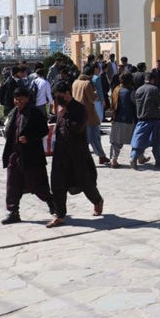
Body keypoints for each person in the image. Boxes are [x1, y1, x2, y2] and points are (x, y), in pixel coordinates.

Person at [47, 82, 104, 228]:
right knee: (57, 183)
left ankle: (97, 200)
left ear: (67, 94)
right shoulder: (60, 109)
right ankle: (60, 216)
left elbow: (78, 129)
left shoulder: (80, 109)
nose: (57, 100)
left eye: (59, 97)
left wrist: (66, 116)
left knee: (84, 182)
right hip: (60, 153)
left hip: (77, 153)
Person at [0, 86, 55, 225]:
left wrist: (29, 138)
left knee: (36, 183)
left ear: (27, 98)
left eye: (21, 99)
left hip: (31, 155)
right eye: (16, 99)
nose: (18, 102)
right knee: (12, 184)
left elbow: (43, 130)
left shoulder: (35, 113)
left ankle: (50, 200)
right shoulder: (13, 112)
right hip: (14, 154)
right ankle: (13, 212)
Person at [129, 72, 160, 169]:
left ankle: (133, 158)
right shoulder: (154, 89)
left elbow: (135, 102)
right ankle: (158, 160)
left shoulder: (138, 90)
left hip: (142, 119)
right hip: (154, 119)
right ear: (152, 80)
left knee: (138, 139)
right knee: (156, 141)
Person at [72, 65, 109, 166]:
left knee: (90, 137)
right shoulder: (87, 83)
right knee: (92, 137)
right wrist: (96, 93)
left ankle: (101, 156)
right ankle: (88, 157)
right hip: (89, 114)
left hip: (79, 114)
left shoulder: (75, 82)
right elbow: (92, 98)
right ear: (91, 74)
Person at [109, 72, 137, 169]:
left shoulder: (116, 90)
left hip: (117, 118)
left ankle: (113, 160)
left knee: (116, 142)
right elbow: (136, 105)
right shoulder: (131, 92)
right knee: (136, 140)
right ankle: (137, 158)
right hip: (129, 120)